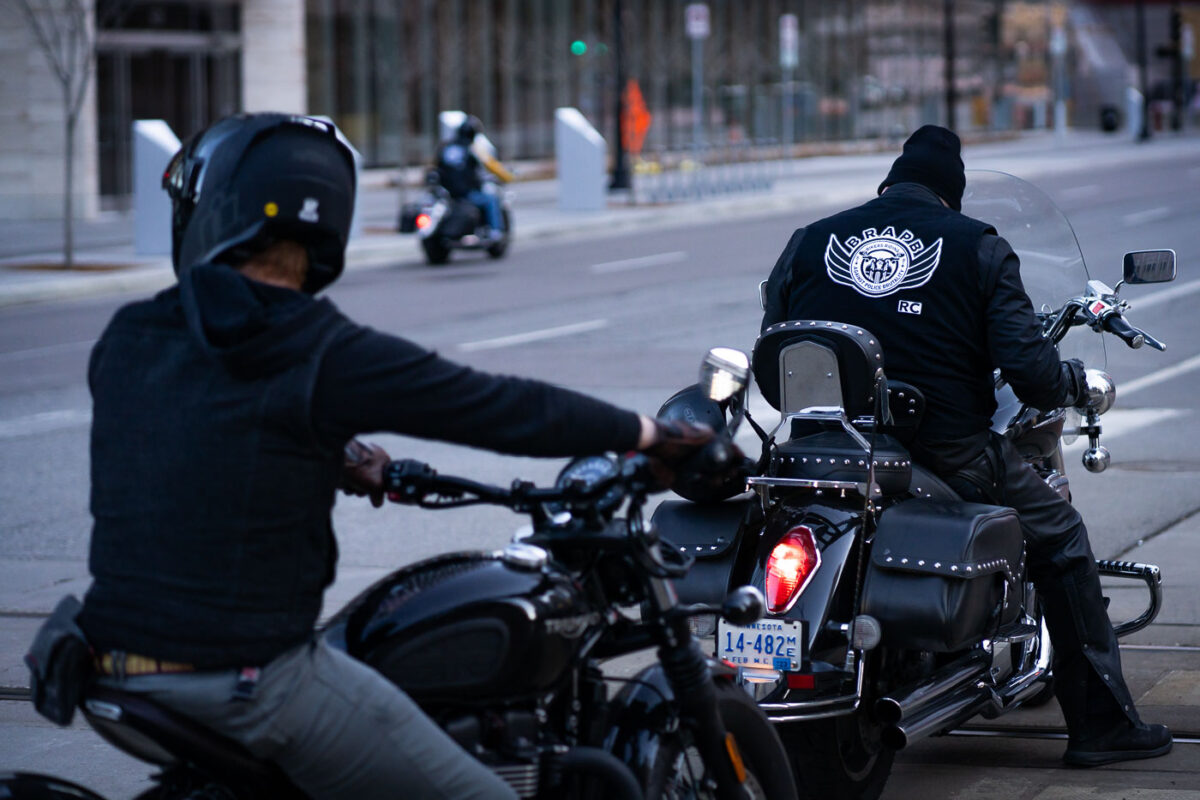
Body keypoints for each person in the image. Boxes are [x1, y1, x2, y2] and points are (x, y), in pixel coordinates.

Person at [76, 112, 715, 800]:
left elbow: (196, 429)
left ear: (212, 211)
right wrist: (652, 436)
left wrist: (331, 448)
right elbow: (497, 406)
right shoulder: (319, 349)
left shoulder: (130, 334)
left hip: (102, 658)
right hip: (247, 680)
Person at [759, 125, 1172, 767]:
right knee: (1060, 539)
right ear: (951, 196)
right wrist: (1071, 381)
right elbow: (1029, 372)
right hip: (946, 451)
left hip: (824, 450)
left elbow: (773, 358)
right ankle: (1102, 727)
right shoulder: (977, 245)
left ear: (888, 185)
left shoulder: (811, 240)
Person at [435, 115, 513, 240]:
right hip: (465, 193)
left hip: (446, 192)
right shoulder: (472, 149)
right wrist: (508, 177)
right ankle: (495, 232)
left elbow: (438, 167)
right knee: (491, 200)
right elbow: (489, 165)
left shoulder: (446, 147)